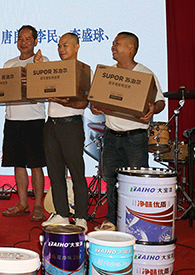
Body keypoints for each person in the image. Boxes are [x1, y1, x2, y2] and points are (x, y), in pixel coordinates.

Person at [90, 31, 165, 231]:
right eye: (113, 44)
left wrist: (153, 109)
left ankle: (137, 223)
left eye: (117, 44)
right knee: (111, 181)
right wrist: (94, 107)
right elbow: (96, 100)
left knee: (136, 182)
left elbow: (160, 102)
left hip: (135, 138)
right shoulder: (107, 74)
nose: (113, 47)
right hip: (111, 135)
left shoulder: (145, 74)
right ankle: (112, 220)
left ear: (131, 48)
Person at [40, 33, 89, 231]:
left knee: (77, 173)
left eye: (66, 45)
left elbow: (84, 102)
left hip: (71, 126)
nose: (61, 49)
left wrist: (65, 102)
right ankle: (61, 213)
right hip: (51, 125)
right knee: (55, 172)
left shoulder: (83, 70)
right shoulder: (53, 70)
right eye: (59, 46)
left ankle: (81, 216)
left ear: (77, 47)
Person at [1, 25, 48, 221]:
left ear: (35, 41)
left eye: (28, 39)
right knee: (18, 165)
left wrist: (35, 67)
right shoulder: (9, 64)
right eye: (20, 38)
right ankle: (22, 203)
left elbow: (46, 89)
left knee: (36, 165)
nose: (23, 42)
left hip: (34, 120)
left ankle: (38, 205)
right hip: (12, 120)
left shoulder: (43, 62)